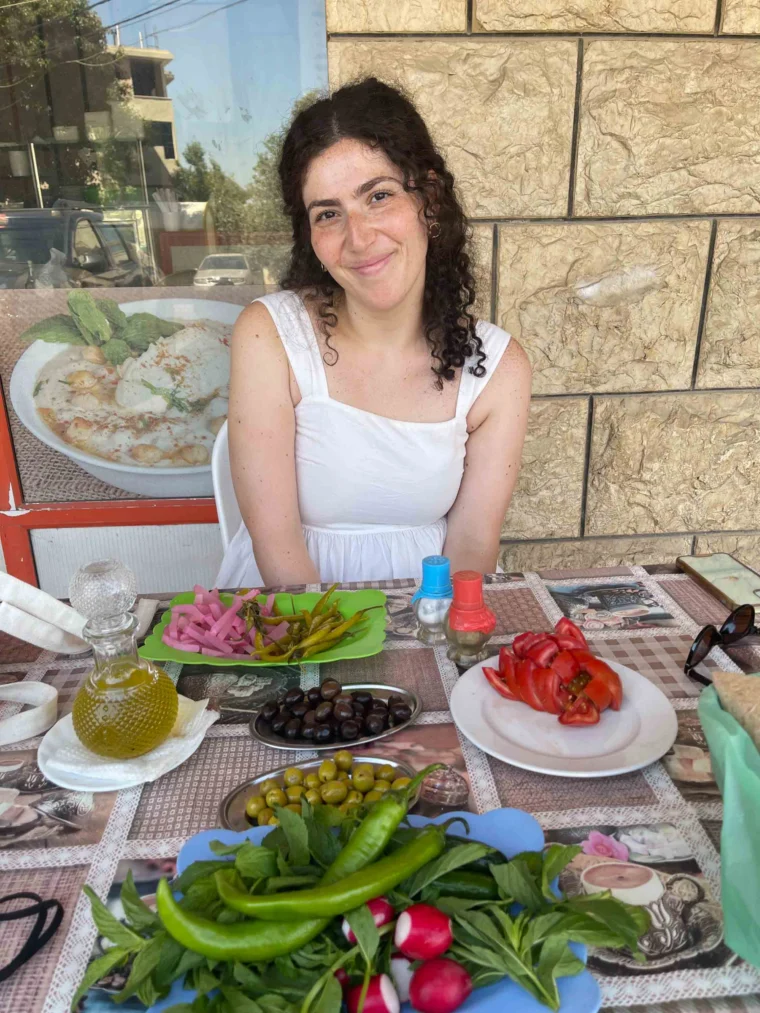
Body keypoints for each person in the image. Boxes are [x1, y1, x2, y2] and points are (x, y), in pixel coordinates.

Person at [216, 77, 532, 588]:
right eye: (328, 214)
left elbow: (472, 546)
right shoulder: (270, 335)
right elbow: (276, 545)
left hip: (431, 605)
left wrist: (432, 645)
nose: (358, 239)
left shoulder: (497, 367)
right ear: (310, 235)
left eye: (378, 196)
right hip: (295, 610)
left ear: (428, 200)